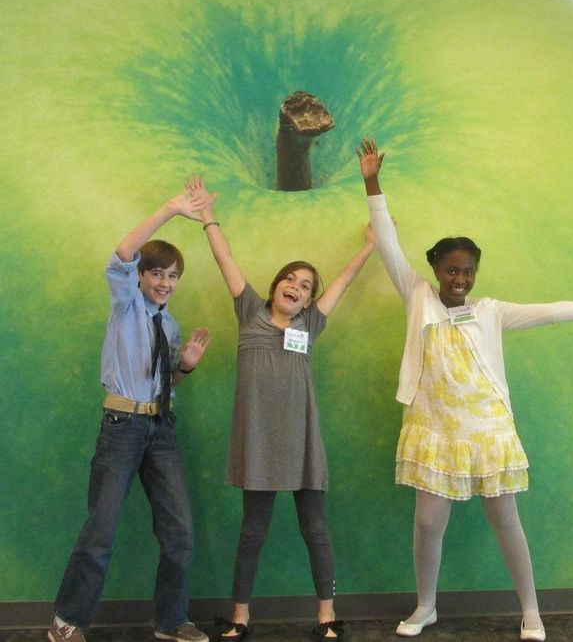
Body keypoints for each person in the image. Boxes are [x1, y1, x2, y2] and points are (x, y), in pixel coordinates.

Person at [356, 138, 573, 641]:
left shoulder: (490, 310)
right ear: (436, 270)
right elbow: (386, 241)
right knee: (428, 522)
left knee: (505, 519)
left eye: (467, 271)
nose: (459, 279)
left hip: (488, 429)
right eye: (452, 269)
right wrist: (371, 183)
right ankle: (426, 605)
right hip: (435, 428)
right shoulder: (416, 296)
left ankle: (531, 611)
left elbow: (549, 311)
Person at [185, 175, 374, 641]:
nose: (296, 286)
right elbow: (223, 257)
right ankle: (240, 618)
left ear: (310, 300)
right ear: (275, 285)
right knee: (253, 534)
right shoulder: (249, 310)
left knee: (316, 531)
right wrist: (208, 216)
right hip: (259, 444)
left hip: (302, 443)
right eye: (290, 278)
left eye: (306, 285)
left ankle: (327, 617)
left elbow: (345, 281)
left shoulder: (309, 325)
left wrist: (368, 247)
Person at [50, 190, 214, 642]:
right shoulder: (126, 306)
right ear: (140, 277)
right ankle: (67, 623)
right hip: (121, 428)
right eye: (156, 273)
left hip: (160, 428)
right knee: (100, 532)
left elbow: (164, 383)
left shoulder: (172, 324)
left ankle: (170, 621)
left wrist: (185, 366)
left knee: (179, 533)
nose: (164, 282)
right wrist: (171, 210)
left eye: (173, 276)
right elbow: (123, 252)